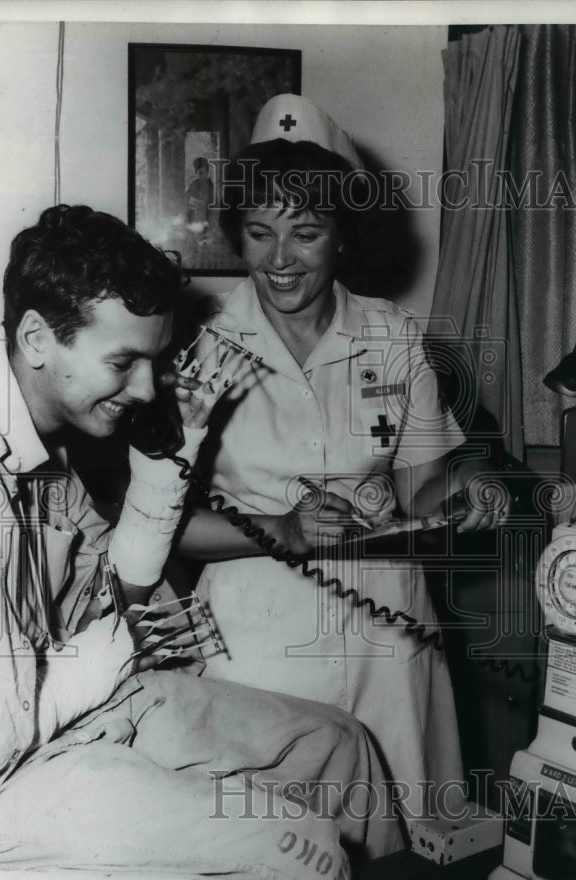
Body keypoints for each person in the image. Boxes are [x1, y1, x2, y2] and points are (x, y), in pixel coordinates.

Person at [0, 204, 401, 880]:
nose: (145, 386)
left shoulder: (33, 439)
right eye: (124, 363)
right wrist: (112, 649)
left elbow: (120, 582)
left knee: (336, 745)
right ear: (34, 338)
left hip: (66, 707)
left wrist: (173, 456)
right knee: (311, 860)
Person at [177, 95, 503, 830]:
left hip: (388, 631)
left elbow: (422, 491)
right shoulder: (197, 346)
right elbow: (155, 522)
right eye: (259, 234)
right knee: (274, 853)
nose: (279, 260)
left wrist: (470, 480)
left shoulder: (392, 334)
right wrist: (280, 526)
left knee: (406, 851)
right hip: (256, 636)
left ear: (343, 237)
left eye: (307, 233)